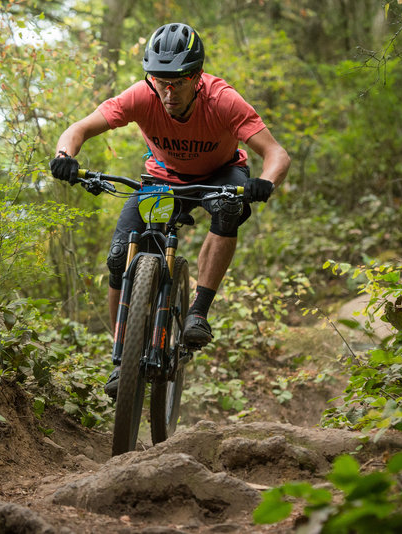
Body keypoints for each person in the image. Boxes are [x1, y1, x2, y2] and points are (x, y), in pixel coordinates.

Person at [49, 22, 290, 398]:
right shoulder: (141, 96)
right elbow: (78, 128)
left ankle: (198, 311)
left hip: (219, 175)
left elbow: (277, 154)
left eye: (177, 80)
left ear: (197, 76)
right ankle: (122, 357)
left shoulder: (224, 100)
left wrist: (266, 181)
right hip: (163, 179)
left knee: (226, 212)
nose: (167, 89)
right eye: (160, 79)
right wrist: (65, 156)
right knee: (118, 259)